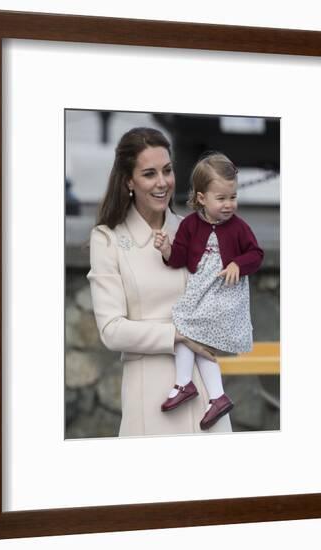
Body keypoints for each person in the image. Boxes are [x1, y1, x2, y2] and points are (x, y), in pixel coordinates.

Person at [87, 128, 232, 436]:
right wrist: (179, 335)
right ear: (129, 181)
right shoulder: (107, 239)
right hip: (151, 400)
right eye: (149, 174)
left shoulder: (197, 229)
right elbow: (112, 330)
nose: (162, 182)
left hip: (208, 398)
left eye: (167, 171)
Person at [153, 152, 264, 430]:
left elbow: (256, 254)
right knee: (191, 336)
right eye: (222, 198)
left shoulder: (239, 228)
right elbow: (178, 258)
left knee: (185, 328)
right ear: (202, 198)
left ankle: (184, 383)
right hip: (201, 295)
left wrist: (239, 262)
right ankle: (216, 396)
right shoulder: (191, 225)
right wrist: (166, 248)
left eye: (233, 197)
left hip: (224, 297)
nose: (229, 205)